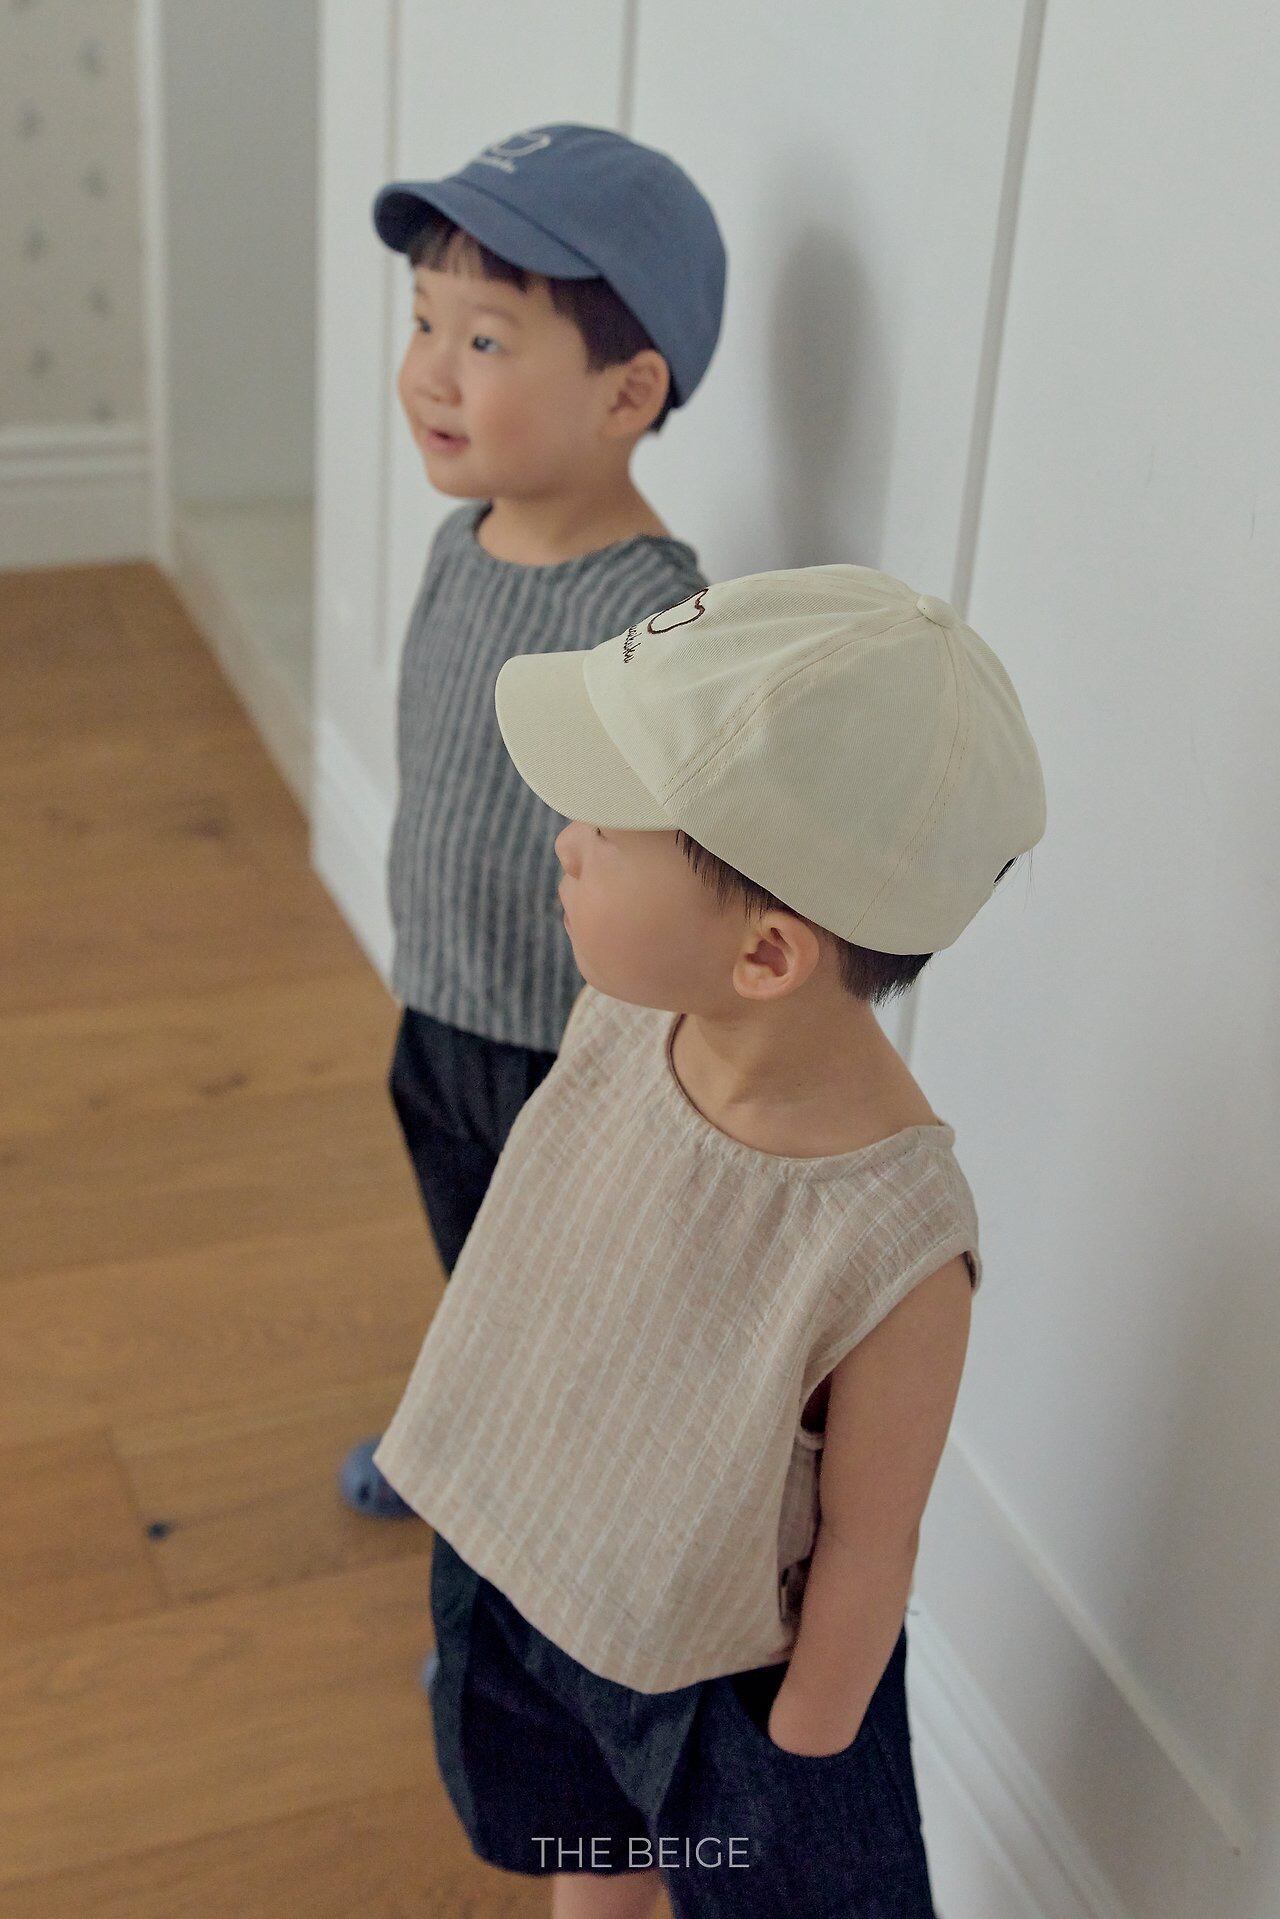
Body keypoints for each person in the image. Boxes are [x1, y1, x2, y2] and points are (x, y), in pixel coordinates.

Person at [374, 565, 1047, 1916]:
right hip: (538, 1561)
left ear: (767, 956)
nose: (564, 841)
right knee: (587, 1843)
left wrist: (808, 1735)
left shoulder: (893, 1244)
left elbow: (870, 1537)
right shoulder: (629, 1015)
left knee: (744, 1881)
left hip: (719, 1688)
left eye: (604, 825)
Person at [338, 125, 726, 1518]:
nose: (430, 371)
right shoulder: (465, 540)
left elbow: (674, 874)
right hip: (440, 1000)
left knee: (562, 1289)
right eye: (424, 322)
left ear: (628, 393)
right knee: (472, 1251)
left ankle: (545, 1497)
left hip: (559, 1049)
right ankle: (470, 1427)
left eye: (487, 340)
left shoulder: (650, 615)